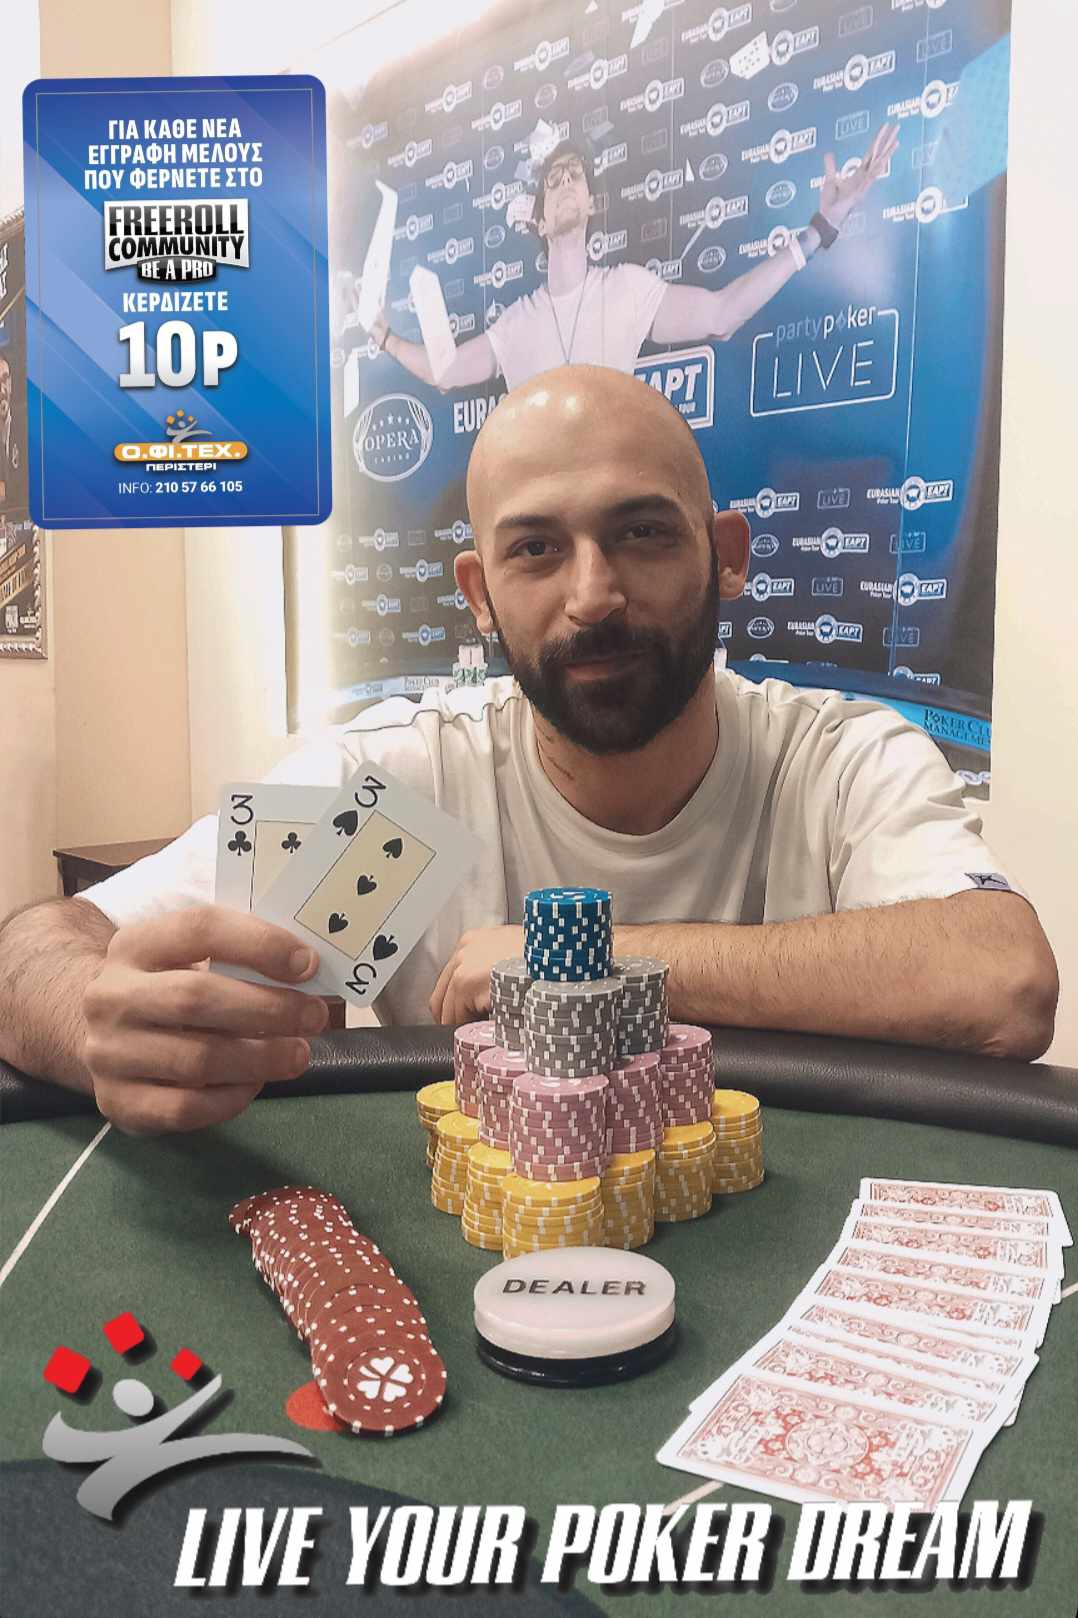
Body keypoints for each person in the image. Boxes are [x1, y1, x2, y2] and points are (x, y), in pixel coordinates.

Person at [0, 367, 1057, 1135]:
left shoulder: (836, 762)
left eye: (641, 532)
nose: (593, 595)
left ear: (726, 555)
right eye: (537, 548)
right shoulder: (400, 791)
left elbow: (1000, 982)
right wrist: (95, 1024)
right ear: (480, 595)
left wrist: (574, 961)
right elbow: (36, 951)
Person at [364, 128, 899, 390]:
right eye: (554, 180)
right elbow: (446, 371)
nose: (565, 183)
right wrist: (383, 334)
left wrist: (821, 227)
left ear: (591, 204)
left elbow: (722, 313)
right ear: (540, 221)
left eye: (575, 176)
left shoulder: (626, 289)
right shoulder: (515, 323)